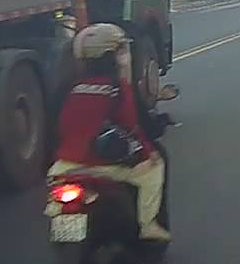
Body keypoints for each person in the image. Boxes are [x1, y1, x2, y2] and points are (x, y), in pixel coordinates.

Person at [49, 23, 171, 242]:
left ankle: (67, 236)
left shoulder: (66, 88)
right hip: (104, 164)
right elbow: (134, 126)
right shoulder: (117, 88)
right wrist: (150, 149)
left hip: (64, 166)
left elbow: (53, 127)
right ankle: (148, 225)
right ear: (111, 55)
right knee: (155, 168)